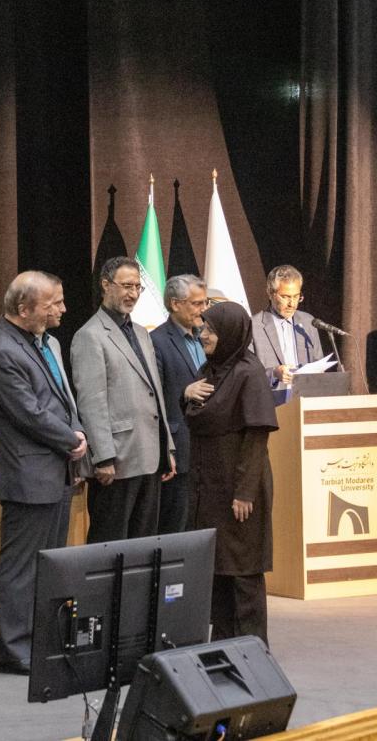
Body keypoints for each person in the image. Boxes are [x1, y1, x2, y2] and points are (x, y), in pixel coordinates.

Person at [0, 271, 87, 675]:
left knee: (49, 563)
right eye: (52, 303)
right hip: (27, 476)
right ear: (24, 309)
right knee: (21, 567)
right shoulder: (2, 352)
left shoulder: (38, 342)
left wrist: (75, 434)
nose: (62, 309)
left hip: (53, 471)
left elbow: (61, 399)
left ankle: (41, 640)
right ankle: (15, 650)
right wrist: (71, 439)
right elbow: (29, 413)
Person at [185, 301, 278, 644]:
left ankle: (252, 649)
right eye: (203, 328)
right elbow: (198, 414)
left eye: (210, 330)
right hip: (211, 488)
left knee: (243, 571)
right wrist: (185, 394)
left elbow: (256, 437)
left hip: (239, 493)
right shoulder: (210, 369)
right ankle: (224, 646)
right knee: (220, 570)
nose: (203, 335)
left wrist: (244, 492)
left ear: (229, 333)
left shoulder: (248, 373)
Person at [71, 256, 175, 543]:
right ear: (106, 285)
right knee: (110, 543)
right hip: (117, 460)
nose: (133, 293)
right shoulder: (90, 335)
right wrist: (103, 457)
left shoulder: (141, 333)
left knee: (143, 543)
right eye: (127, 286)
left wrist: (167, 446)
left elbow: (154, 393)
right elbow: (91, 402)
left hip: (150, 455)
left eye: (138, 287)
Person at [150, 274, 210, 534]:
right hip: (180, 448)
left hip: (208, 446)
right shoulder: (157, 340)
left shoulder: (206, 336)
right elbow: (153, 396)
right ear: (175, 304)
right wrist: (183, 392)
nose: (203, 309)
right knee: (177, 527)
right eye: (196, 303)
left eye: (205, 302)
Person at [251, 265, 326, 387]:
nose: (292, 304)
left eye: (296, 296)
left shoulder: (308, 322)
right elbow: (246, 375)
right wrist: (274, 373)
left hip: (305, 394)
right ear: (270, 293)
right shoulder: (253, 326)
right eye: (285, 297)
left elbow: (318, 363)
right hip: (271, 396)